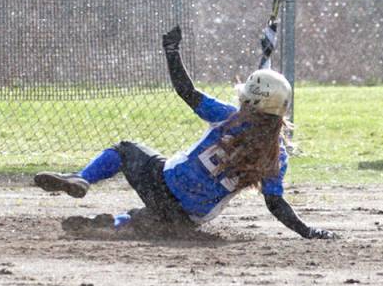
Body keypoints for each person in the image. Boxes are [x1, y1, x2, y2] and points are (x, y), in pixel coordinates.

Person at [34, 25, 335, 240]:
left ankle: (83, 178)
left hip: (162, 186)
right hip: (187, 219)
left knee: (125, 149)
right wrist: (307, 231)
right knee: (148, 221)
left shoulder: (228, 118)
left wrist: (172, 51)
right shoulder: (276, 155)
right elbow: (275, 204)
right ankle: (111, 224)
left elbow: (186, 91)